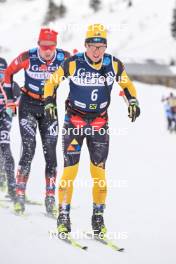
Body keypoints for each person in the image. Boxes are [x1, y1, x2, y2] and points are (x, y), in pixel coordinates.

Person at [44, 24, 140, 236]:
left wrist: (133, 101)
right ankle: (63, 215)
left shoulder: (113, 64)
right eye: (92, 45)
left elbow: (128, 86)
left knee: (99, 175)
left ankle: (98, 218)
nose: (97, 51)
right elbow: (51, 83)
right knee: (70, 172)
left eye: (101, 46)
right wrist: (49, 102)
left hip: (99, 124)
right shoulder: (73, 63)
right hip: (75, 123)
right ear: (85, 46)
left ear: (105, 47)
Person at [3, 28, 70, 215]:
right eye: (44, 46)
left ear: (56, 46)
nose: (47, 51)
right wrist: (9, 99)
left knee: (51, 154)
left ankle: (50, 198)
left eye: (51, 47)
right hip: (28, 106)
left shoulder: (63, 57)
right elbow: (8, 73)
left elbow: (79, 69)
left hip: (49, 108)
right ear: (38, 45)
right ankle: (20, 194)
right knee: (28, 149)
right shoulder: (28, 56)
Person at [0, 57, 20, 199]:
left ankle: (12, 188)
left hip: (4, 121)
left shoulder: (12, 85)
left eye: (2, 73)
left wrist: (9, 112)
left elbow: (14, 109)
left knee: (5, 150)